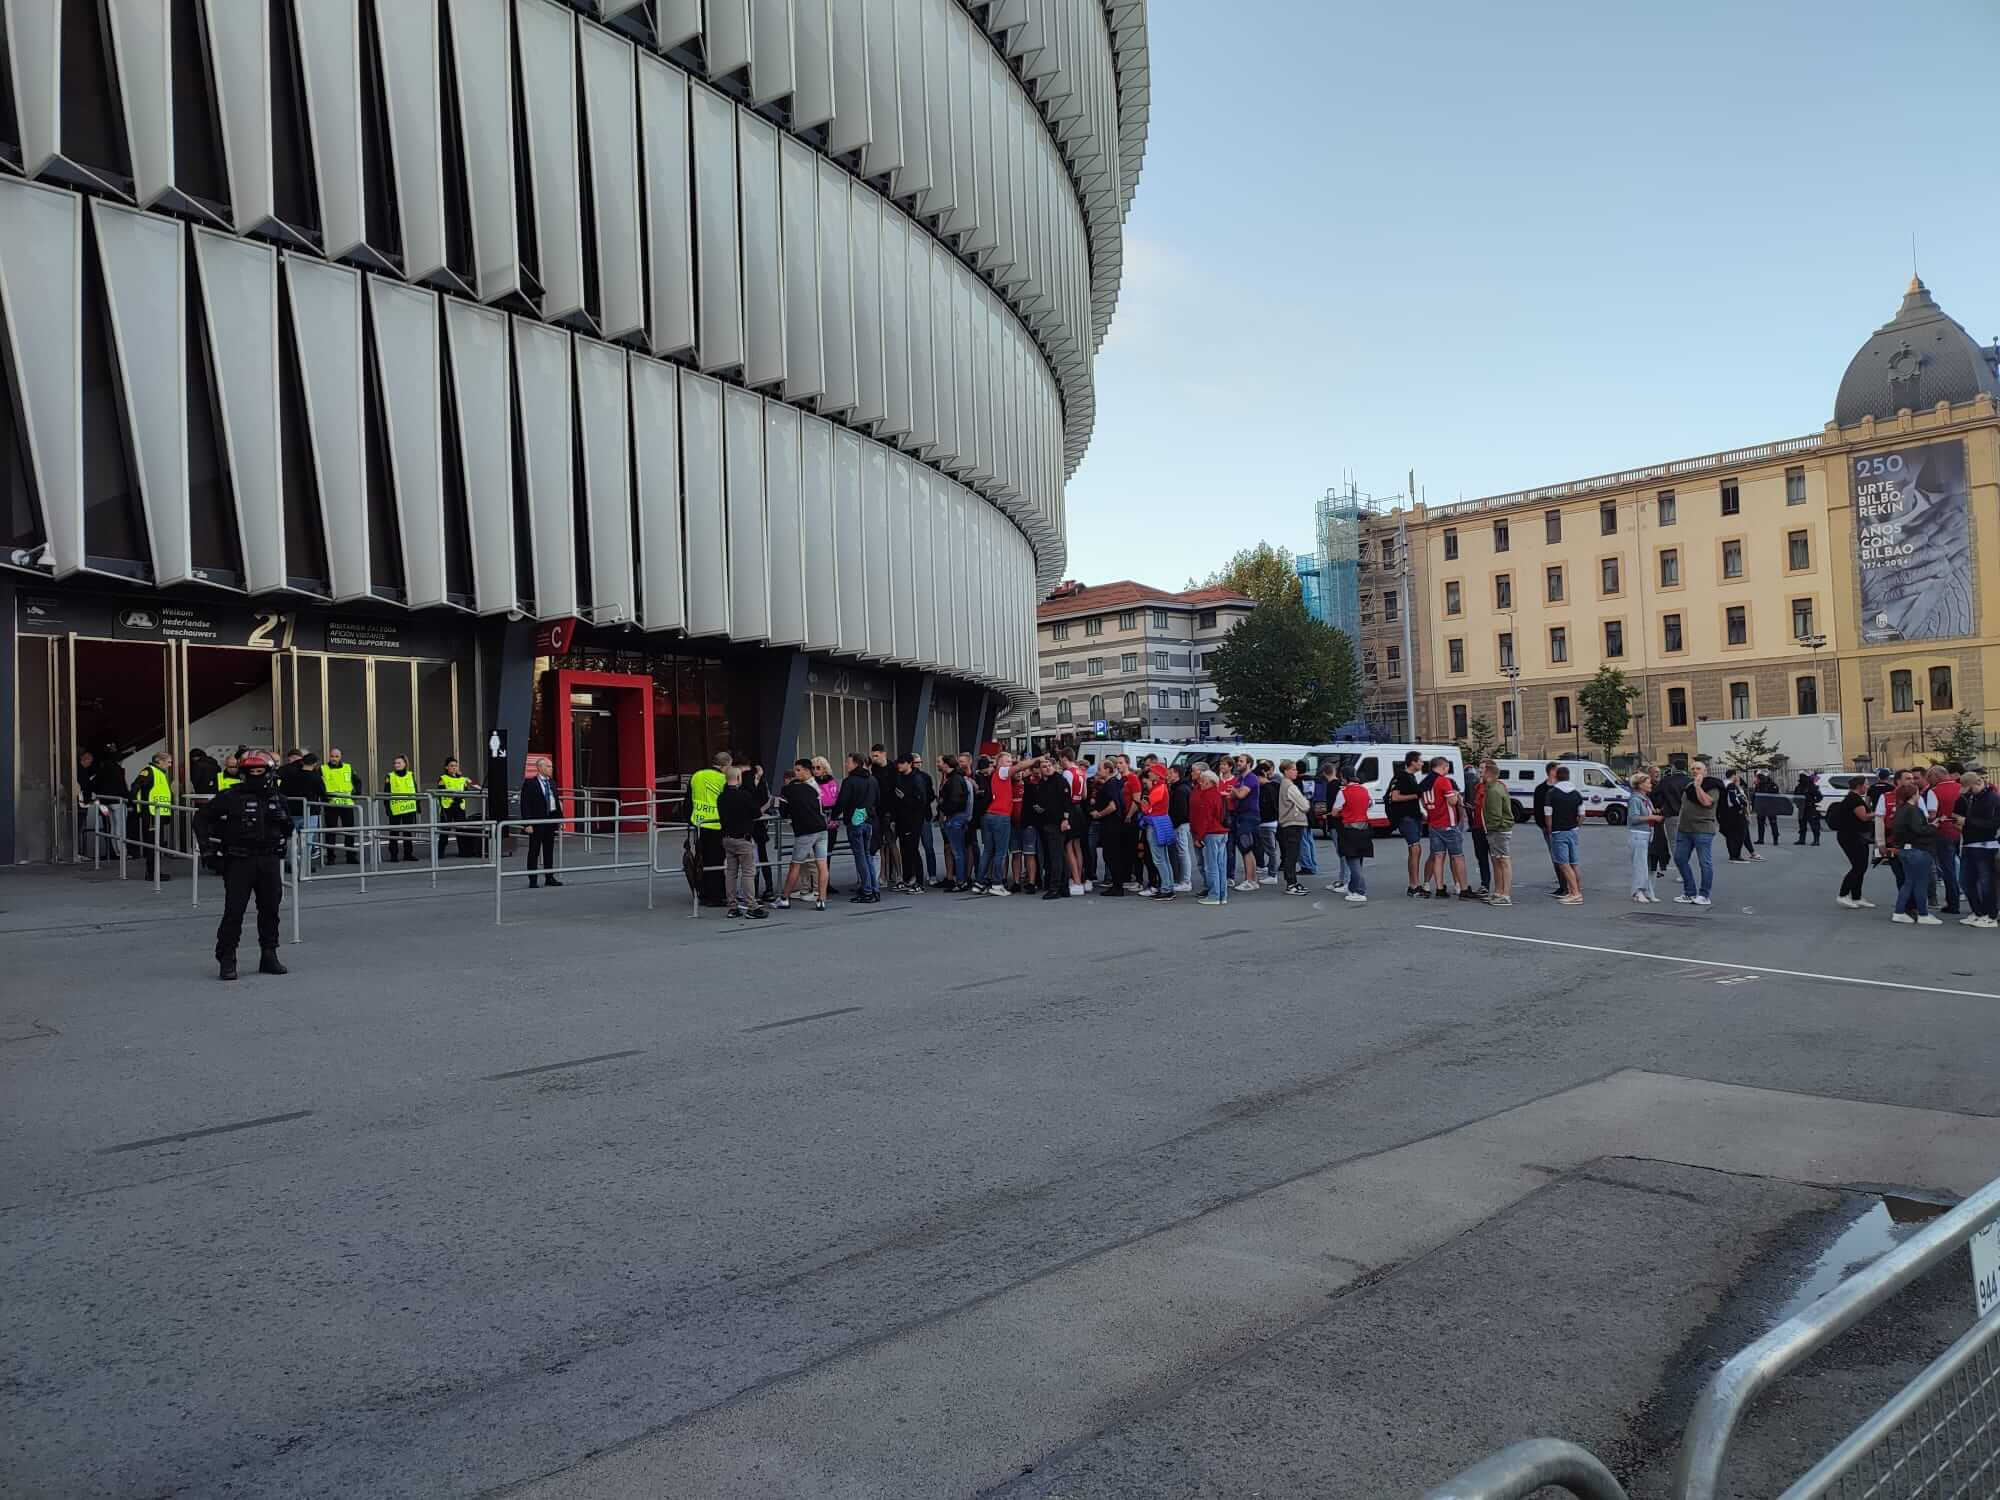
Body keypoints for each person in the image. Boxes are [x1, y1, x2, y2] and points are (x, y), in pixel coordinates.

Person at [193, 749, 292, 981]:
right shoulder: (230, 797)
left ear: (269, 773)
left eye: (260, 771)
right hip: (239, 860)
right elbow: (201, 818)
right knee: (234, 911)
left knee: (270, 909)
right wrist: (208, 851)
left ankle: (269, 954)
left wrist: (283, 820)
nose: (256, 775)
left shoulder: (278, 798)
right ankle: (227, 958)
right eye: (251, 772)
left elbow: (290, 828)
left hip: (269, 860)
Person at [776, 759, 830, 910]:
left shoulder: (787, 790)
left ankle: (785, 898)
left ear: (807, 770)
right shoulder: (814, 789)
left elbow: (783, 812)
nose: (796, 773)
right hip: (821, 828)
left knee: (795, 865)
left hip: (805, 831)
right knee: (822, 864)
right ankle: (822, 899)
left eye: (799, 770)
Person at [717, 764, 766, 918]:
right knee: (748, 873)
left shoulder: (721, 797)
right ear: (738, 778)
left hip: (727, 838)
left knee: (731, 873)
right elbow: (756, 813)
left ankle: (732, 907)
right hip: (743, 838)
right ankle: (751, 906)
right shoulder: (744, 795)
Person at [1889, 782, 1941, 925]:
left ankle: (1899, 912)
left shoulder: (1900, 809)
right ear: (1913, 795)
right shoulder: (1914, 810)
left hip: (1904, 850)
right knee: (1921, 883)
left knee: (1909, 882)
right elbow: (1919, 830)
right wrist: (1933, 827)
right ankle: (1923, 914)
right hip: (1917, 850)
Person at [1025, 756, 1076, 899]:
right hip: (1047, 822)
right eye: (1044, 766)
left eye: (1049, 765)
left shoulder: (1060, 781)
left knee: (1056, 856)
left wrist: (1065, 819)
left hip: (1057, 822)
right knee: (1060, 855)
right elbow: (1043, 800)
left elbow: (1067, 802)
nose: (1047, 768)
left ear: (1054, 766)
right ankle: (1063, 888)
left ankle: (1055, 888)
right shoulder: (1042, 782)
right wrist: (1039, 808)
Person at [832, 752, 881, 903]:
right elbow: (878, 799)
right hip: (869, 820)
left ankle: (867, 891)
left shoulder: (850, 781)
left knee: (860, 856)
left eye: (848, 762)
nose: (846, 764)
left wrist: (833, 816)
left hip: (855, 820)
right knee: (867, 856)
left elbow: (842, 802)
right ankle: (874, 889)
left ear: (856, 763)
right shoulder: (872, 780)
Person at [1421, 756, 1471, 899]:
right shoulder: (1443, 781)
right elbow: (1452, 801)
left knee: (1438, 856)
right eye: (1447, 767)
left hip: (1433, 823)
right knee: (1457, 857)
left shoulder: (1425, 783)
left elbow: (1424, 804)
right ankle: (1463, 889)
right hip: (1448, 823)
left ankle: (1440, 888)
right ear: (1443, 766)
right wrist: (1455, 795)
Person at [1674, 758, 1721, 906]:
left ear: (1705, 771)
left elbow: (1706, 803)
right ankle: (1689, 892)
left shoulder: (1713, 786)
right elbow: (1683, 805)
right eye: (1693, 769)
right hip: (1684, 829)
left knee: (1704, 863)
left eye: (1698, 769)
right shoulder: (1689, 786)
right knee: (1679, 859)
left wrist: (1698, 787)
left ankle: (1704, 895)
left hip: (1703, 829)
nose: (1695, 771)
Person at [1955, 771, 1997, 928]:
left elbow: (1992, 824)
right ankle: (1979, 912)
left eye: (1969, 788)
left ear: (1976, 783)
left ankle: (1990, 915)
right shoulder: (1973, 797)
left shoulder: (1992, 799)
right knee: (1966, 881)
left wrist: (1967, 821)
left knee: (1986, 882)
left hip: (1984, 845)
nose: (1968, 792)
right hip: (1970, 844)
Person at [688, 752, 729, 907]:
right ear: (725, 765)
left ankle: (702, 892)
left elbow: (688, 800)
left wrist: (690, 821)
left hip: (698, 823)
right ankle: (716, 895)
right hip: (717, 824)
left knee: (701, 860)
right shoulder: (723, 779)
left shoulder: (697, 775)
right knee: (716, 862)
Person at [1829, 775, 1876, 909]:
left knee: (1861, 867)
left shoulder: (1854, 798)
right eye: (1866, 784)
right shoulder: (1854, 799)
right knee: (1858, 866)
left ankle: (1857, 896)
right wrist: (1878, 813)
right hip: (1851, 837)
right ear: (1859, 786)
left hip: (1858, 836)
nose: (1867, 787)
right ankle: (1843, 895)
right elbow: (1864, 817)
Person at [130, 750, 176, 880]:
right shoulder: (149, 771)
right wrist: (134, 805)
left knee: (157, 843)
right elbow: (135, 787)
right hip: (151, 814)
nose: (170, 765)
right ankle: (152, 873)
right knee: (153, 843)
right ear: (159, 761)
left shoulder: (159, 773)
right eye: (168, 762)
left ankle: (154, 872)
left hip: (158, 814)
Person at [519, 755, 564, 888]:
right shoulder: (530, 783)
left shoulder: (552, 783)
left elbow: (555, 802)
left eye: (551, 766)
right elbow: (525, 804)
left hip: (550, 820)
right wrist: (527, 823)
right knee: (534, 850)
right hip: (537, 821)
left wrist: (560, 820)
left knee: (549, 850)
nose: (551, 769)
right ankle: (533, 879)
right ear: (540, 767)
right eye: (548, 766)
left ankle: (549, 877)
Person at [1090, 754, 1131, 896]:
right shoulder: (1110, 783)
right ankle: (1116, 884)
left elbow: (1113, 806)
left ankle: (1117, 886)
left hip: (1112, 825)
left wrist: (1099, 814)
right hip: (1110, 824)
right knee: (1110, 855)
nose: (1098, 770)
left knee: (1112, 855)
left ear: (1107, 770)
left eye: (1100, 768)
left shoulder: (1111, 784)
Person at [277, 750, 325, 869]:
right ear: (314, 764)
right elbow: (322, 792)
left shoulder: (291, 776)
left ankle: (291, 864)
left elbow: (282, 791)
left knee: (291, 839)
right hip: (310, 812)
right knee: (307, 841)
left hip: (292, 811)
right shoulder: (315, 777)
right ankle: (305, 866)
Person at [887, 752, 925, 895]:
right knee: (904, 850)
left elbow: (920, 801)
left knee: (913, 850)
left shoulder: (916, 779)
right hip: (902, 819)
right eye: (898, 763)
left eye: (902, 763)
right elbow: (896, 800)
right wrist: (894, 819)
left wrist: (904, 798)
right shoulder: (900, 778)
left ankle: (919, 882)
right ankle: (907, 878)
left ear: (909, 764)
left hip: (914, 820)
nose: (899, 765)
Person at [1191, 765, 1229, 904]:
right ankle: (1222, 895)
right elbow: (1217, 815)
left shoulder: (1207, 796)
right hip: (1220, 832)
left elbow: (1205, 818)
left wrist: (1198, 837)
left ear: (1209, 782)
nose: (1201, 783)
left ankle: (1214, 895)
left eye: (1203, 781)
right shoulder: (1217, 794)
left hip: (1212, 833)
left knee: (1212, 866)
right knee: (1220, 866)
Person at [1387, 750, 1424, 895]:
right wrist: (1415, 796)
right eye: (1420, 761)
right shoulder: (1402, 776)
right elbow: (1395, 797)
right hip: (1405, 817)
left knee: (1416, 849)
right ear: (1413, 762)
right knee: (1415, 848)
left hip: (1413, 816)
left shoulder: (1412, 777)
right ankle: (1413, 885)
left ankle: (1415, 883)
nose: (1422, 763)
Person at [978, 751, 1015, 893]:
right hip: (1000, 816)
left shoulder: (995, 774)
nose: (1010, 764)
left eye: (1011, 761)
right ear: (999, 763)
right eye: (1007, 761)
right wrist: (1035, 760)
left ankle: (979, 882)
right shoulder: (1002, 772)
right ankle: (997, 884)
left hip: (990, 815)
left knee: (988, 851)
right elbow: (1018, 768)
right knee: (1000, 852)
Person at [937, 753, 975, 893]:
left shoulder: (955, 780)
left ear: (947, 765)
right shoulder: (959, 779)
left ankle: (961, 881)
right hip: (959, 818)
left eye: (940, 762)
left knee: (957, 851)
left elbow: (956, 801)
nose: (938, 764)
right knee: (959, 851)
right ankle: (962, 880)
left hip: (955, 818)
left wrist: (943, 807)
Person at [1928, 764, 1963, 915]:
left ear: (1936, 776)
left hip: (1943, 832)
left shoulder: (1934, 791)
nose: (1929, 781)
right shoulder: (1960, 787)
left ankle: (1953, 903)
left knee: (1948, 869)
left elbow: (1931, 814)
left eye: (1930, 777)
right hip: (1961, 830)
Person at [1479, 759, 1514, 906]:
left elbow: (1495, 815)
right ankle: (1500, 892)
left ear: (1488, 774)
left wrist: (1489, 829)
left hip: (1498, 831)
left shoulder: (1493, 791)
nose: (1479, 772)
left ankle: (1505, 895)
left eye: (1482, 770)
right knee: (1499, 860)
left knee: (1502, 860)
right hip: (1499, 829)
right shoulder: (1496, 787)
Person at [1335, 766, 1373, 903]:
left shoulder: (1343, 792)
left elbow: (1335, 811)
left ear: (1344, 777)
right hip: (1364, 827)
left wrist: (1342, 812)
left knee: (1352, 860)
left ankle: (1360, 890)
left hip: (1349, 829)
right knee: (1359, 859)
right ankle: (1353, 887)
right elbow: (1370, 804)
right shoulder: (1364, 790)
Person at [1547, 765, 1584, 905]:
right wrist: (1577, 826)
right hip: (1573, 831)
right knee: (1574, 863)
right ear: (1568, 776)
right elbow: (1582, 815)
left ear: (1556, 776)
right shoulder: (1576, 794)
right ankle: (1576, 890)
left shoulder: (1552, 793)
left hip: (1558, 831)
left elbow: (1548, 814)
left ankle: (1575, 893)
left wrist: (1550, 830)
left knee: (1563, 864)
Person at [1625, 772, 1662, 902]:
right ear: (1640, 785)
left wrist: (1655, 812)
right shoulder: (1635, 799)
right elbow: (1633, 818)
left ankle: (1649, 890)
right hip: (1638, 834)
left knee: (1650, 865)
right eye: (1647, 782)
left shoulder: (1646, 799)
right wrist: (1652, 817)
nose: (1650, 784)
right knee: (1640, 864)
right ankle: (1638, 891)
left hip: (1649, 834)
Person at [318, 747, 359, 864]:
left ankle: (351, 856)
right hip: (331, 805)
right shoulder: (323, 769)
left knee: (349, 830)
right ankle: (331, 858)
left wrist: (355, 794)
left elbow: (357, 781)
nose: (334, 758)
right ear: (329, 756)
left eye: (336, 756)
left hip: (346, 804)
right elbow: (319, 785)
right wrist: (324, 798)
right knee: (331, 831)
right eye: (332, 756)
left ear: (340, 757)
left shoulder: (348, 767)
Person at [1275, 760, 1310, 896]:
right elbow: (1304, 805)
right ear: (1286, 771)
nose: (1296, 772)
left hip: (1288, 823)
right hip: (1293, 822)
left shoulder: (1284, 784)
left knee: (1291, 854)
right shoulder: (1291, 786)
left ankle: (1293, 882)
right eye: (1293, 769)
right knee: (1292, 854)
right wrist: (1305, 802)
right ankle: (1291, 883)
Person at [435, 757, 481, 858]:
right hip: (447, 808)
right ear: (446, 767)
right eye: (451, 766)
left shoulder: (462, 779)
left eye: (455, 766)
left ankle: (463, 852)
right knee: (445, 832)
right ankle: (439, 854)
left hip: (459, 807)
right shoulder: (442, 778)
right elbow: (441, 791)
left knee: (461, 830)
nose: (454, 768)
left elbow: (469, 789)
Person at [1230, 757, 1262, 892]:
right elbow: (1233, 795)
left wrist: (1233, 789)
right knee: (1246, 848)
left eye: (1241, 761)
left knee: (1246, 846)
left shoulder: (1251, 778)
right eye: (1238, 761)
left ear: (1249, 764)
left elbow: (1241, 794)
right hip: (1242, 815)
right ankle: (1252, 880)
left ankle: (1250, 880)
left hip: (1249, 815)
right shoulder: (1241, 779)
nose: (1238, 763)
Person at [746, 763, 776, 903]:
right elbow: (765, 802)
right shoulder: (751, 785)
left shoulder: (761, 785)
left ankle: (765, 889)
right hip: (756, 823)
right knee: (758, 858)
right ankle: (759, 889)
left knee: (760, 857)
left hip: (757, 825)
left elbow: (765, 801)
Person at [1653, 762, 1690, 879]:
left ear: (1674, 768)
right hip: (1689, 816)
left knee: (1675, 844)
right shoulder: (1690, 781)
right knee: (1687, 843)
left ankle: (1682, 872)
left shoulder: (1666, 781)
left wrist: (1660, 806)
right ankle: (1685, 869)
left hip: (1672, 815)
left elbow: (1655, 795)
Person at [1166, 765, 1194, 893]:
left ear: (1177, 774)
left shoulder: (1181, 790)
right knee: (1181, 852)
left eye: (1170, 773)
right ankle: (1183, 880)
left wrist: (1174, 825)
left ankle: (1185, 881)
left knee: (1183, 852)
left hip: (1180, 825)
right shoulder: (1178, 788)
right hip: (1179, 824)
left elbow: (1182, 812)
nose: (1168, 775)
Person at [1719, 770, 1753, 863]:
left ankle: (1732, 855)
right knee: (1739, 834)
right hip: (1735, 813)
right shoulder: (1731, 785)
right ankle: (1736, 856)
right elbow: (1733, 799)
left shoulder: (1722, 784)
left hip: (1724, 813)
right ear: (1734, 775)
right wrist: (1742, 803)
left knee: (1730, 835)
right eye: (1737, 775)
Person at [1752, 771, 1783, 847]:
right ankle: (1760, 839)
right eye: (1759, 777)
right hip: (1761, 807)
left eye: (1760, 777)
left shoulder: (1773, 785)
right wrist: (1754, 806)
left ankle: (1775, 839)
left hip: (1771, 807)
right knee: (1760, 823)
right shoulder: (1758, 785)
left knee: (1773, 823)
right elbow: (1755, 796)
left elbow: (1776, 796)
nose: (1759, 778)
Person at [1793, 772, 1823, 846]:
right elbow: (1795, 797)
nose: (1802, 778)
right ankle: (1801, 840)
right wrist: (1798, 804)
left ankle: (1816, 840)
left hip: (1810, 808)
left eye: (1804, 777)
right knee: (1802, 825)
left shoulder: (1812, 787)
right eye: (1801, 777)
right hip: (1802, 809)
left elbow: (1819, 797)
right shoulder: (1798, 787)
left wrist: (1813, 802)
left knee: (1814, 825)